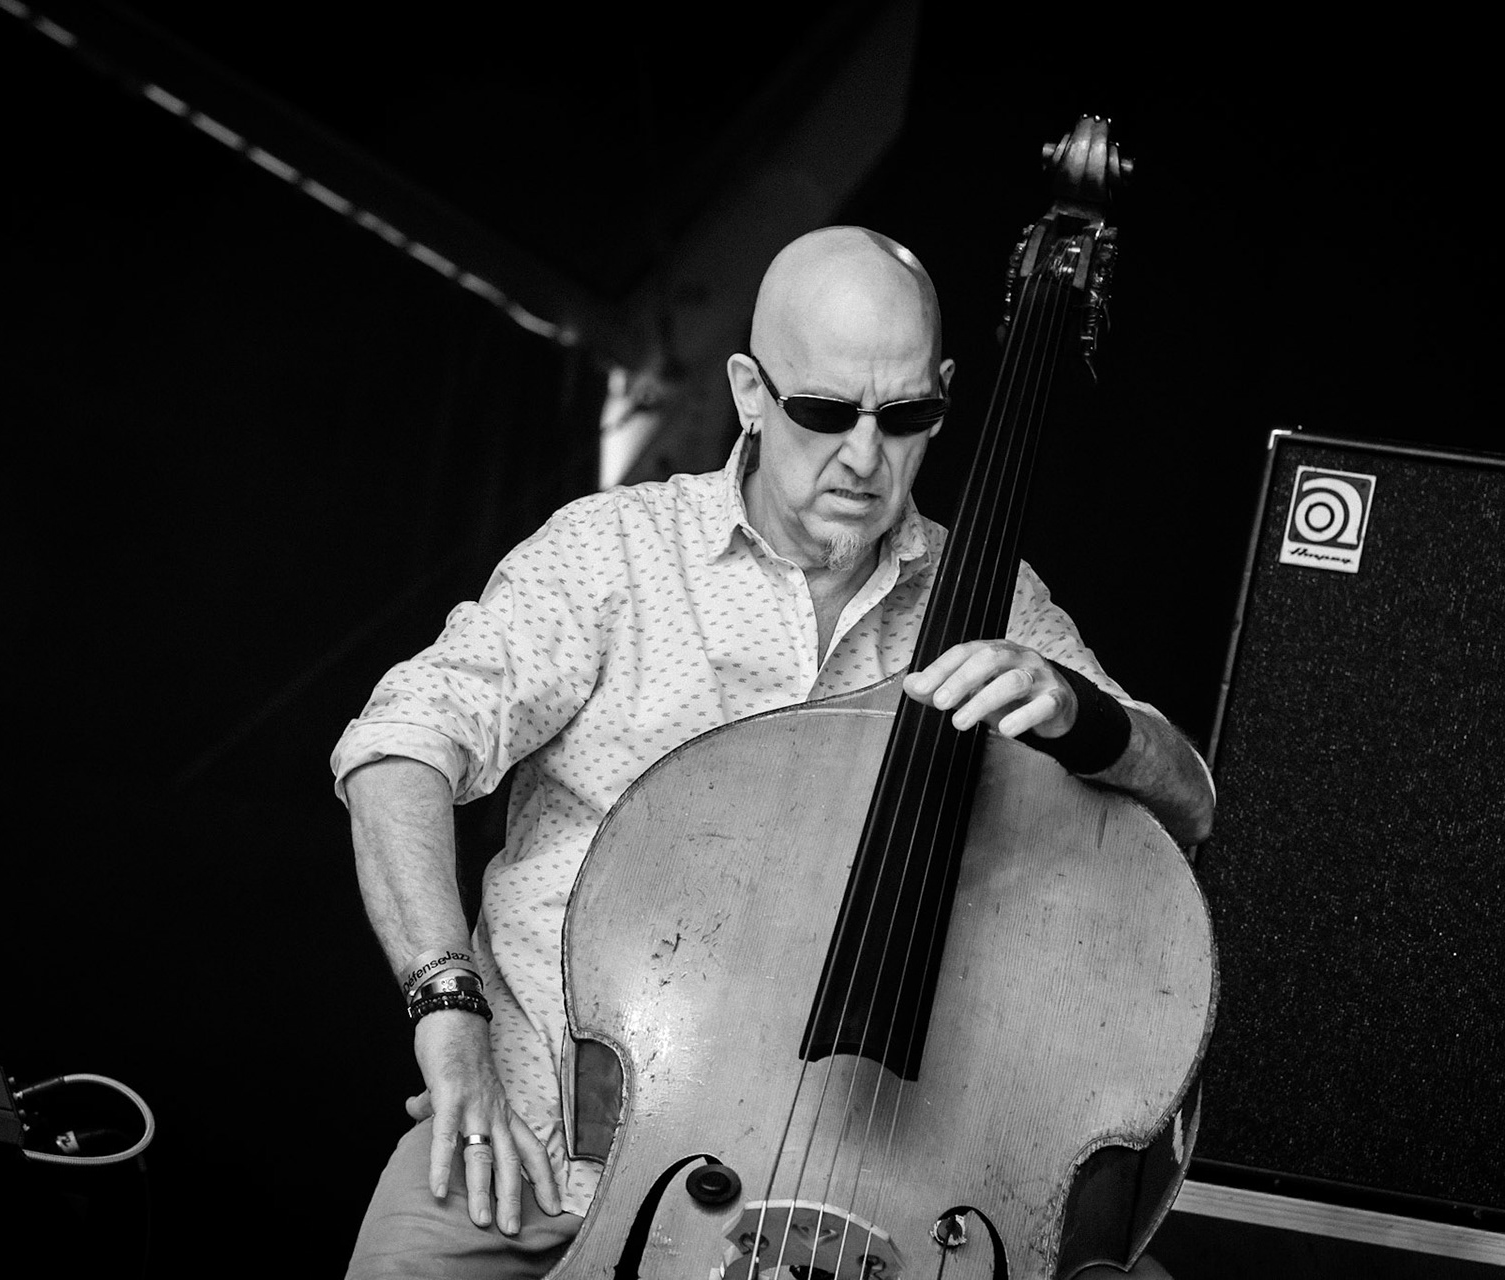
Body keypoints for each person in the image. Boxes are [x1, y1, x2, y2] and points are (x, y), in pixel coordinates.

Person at [332, 226, 1215, 1278]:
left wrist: (1087, 717)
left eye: (906, 418)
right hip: (533, 1160)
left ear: (943, 395)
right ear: (751, 391)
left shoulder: (992, 600)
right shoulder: (615, 553)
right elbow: (400, 745)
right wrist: (446, 1007)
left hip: (863, 1195)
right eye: (824, 411)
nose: (863, 455)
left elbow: (1186, 803)